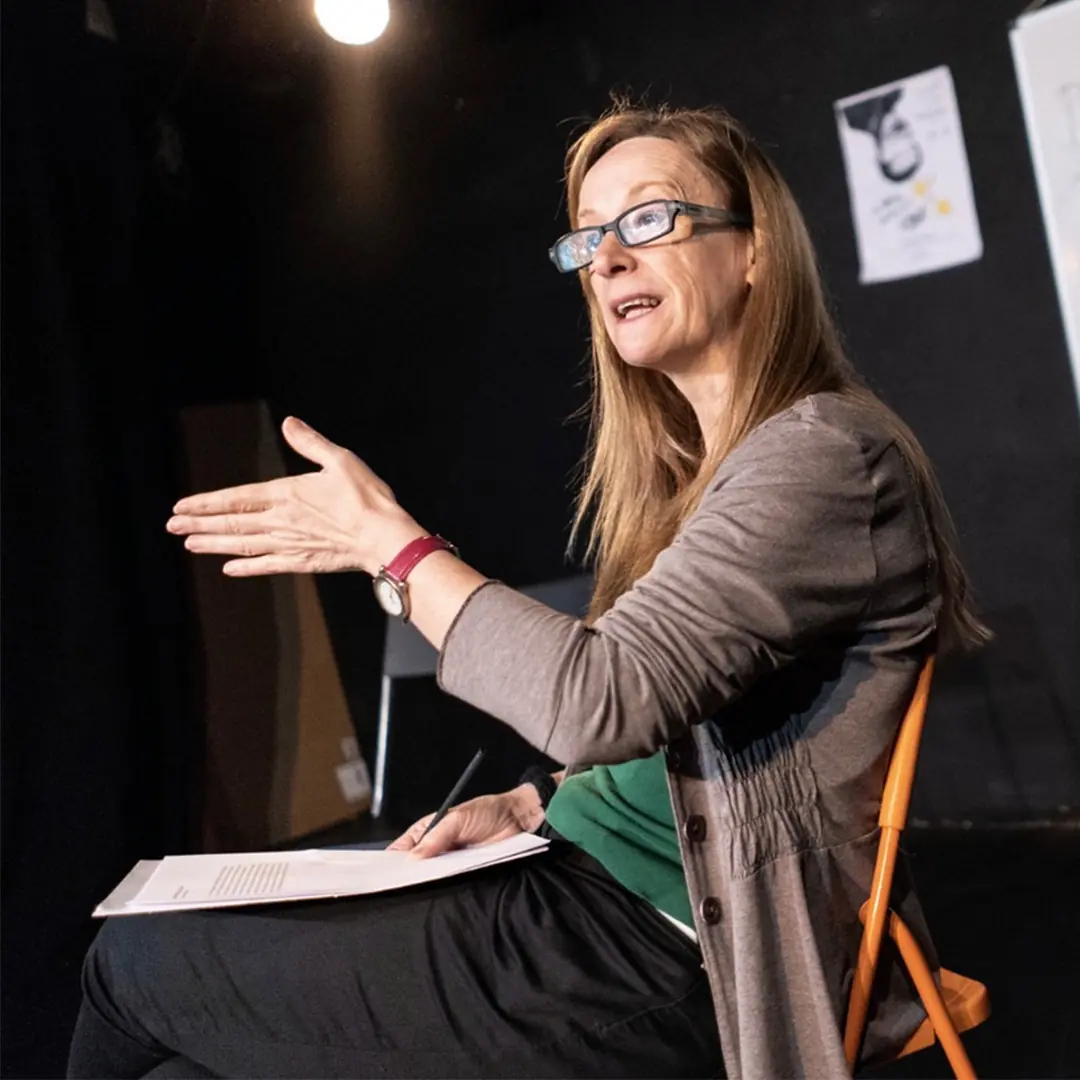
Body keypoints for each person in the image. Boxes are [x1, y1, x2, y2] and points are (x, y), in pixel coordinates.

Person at [67, 101, 988, 1080]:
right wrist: (531, 800)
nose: (609, 259)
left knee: (131, 963)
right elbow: (677, 728)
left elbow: (602, 700)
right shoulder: (709, 474)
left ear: (754, 248)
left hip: (662, 954)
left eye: (648, 218)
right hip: (575, 887)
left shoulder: (823, 457)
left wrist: (392, 549)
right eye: (590, 237)